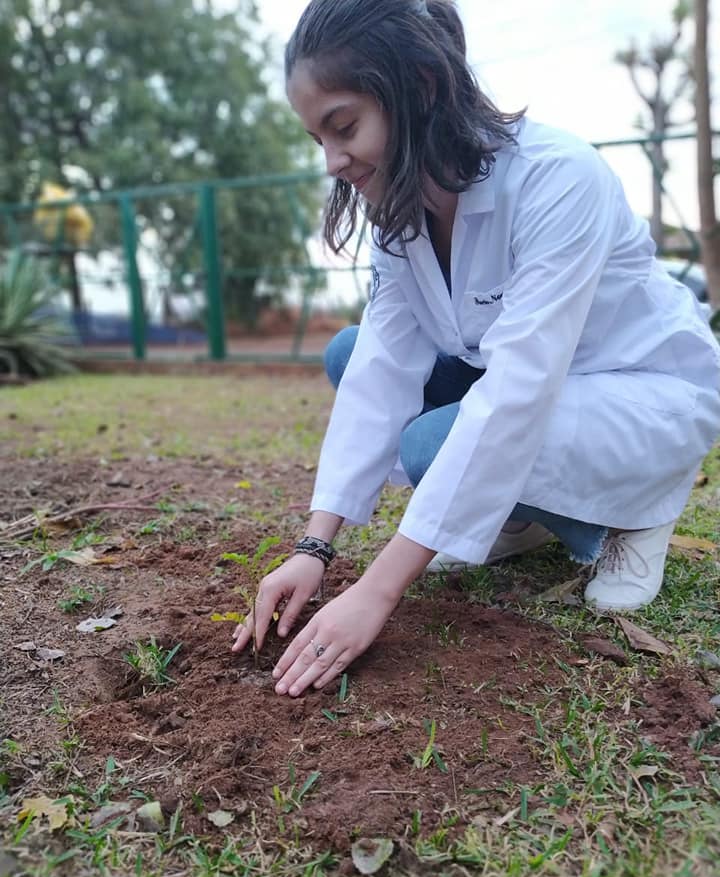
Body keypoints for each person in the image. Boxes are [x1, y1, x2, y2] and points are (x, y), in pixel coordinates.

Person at [232, 0, 720, 697]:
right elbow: (380, 370)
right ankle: (518, 518)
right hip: (551, 393)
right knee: (350, 350)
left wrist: (376, 590)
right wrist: (316, 546)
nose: (334, 162)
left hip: (643, 394)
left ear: (423, 85)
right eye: (319, 139)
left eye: (344, 127)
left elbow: (515, 391)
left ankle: (634, 517)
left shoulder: (558, 179)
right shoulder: (400, 209)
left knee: (434, 442)